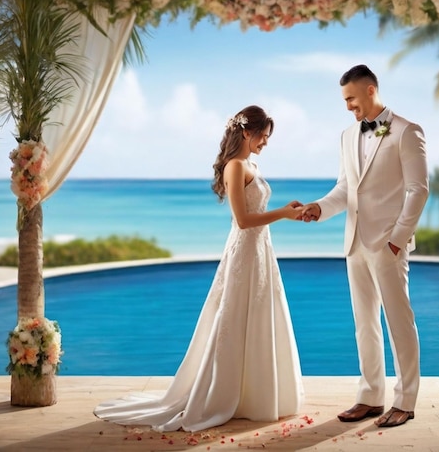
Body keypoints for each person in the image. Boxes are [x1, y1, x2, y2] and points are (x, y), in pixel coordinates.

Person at [94, 105, 305, 432]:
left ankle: (256, 395)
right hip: (245, 250)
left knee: (261, 314)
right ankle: (223, 393)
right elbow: (244, 220)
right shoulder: (235, 166)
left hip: (261, 251)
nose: (265, 142)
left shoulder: (251, 163)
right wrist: (283, 214)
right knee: (234, 318)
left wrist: (283, 211)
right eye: (263, 136)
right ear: (247, 132)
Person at [301, 65, 429, 428]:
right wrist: (319, 208)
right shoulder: (346, 136)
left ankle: (405, 400)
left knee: (398, 322)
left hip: (388, 244)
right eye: (344, 100)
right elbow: (346, 189)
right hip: (355, 243)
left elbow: (418, 190)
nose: (347, 107)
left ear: (371, 90)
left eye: (351, 98)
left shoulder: (407, 131)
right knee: (364, 324)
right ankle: (371, 396)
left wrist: (396, 240)